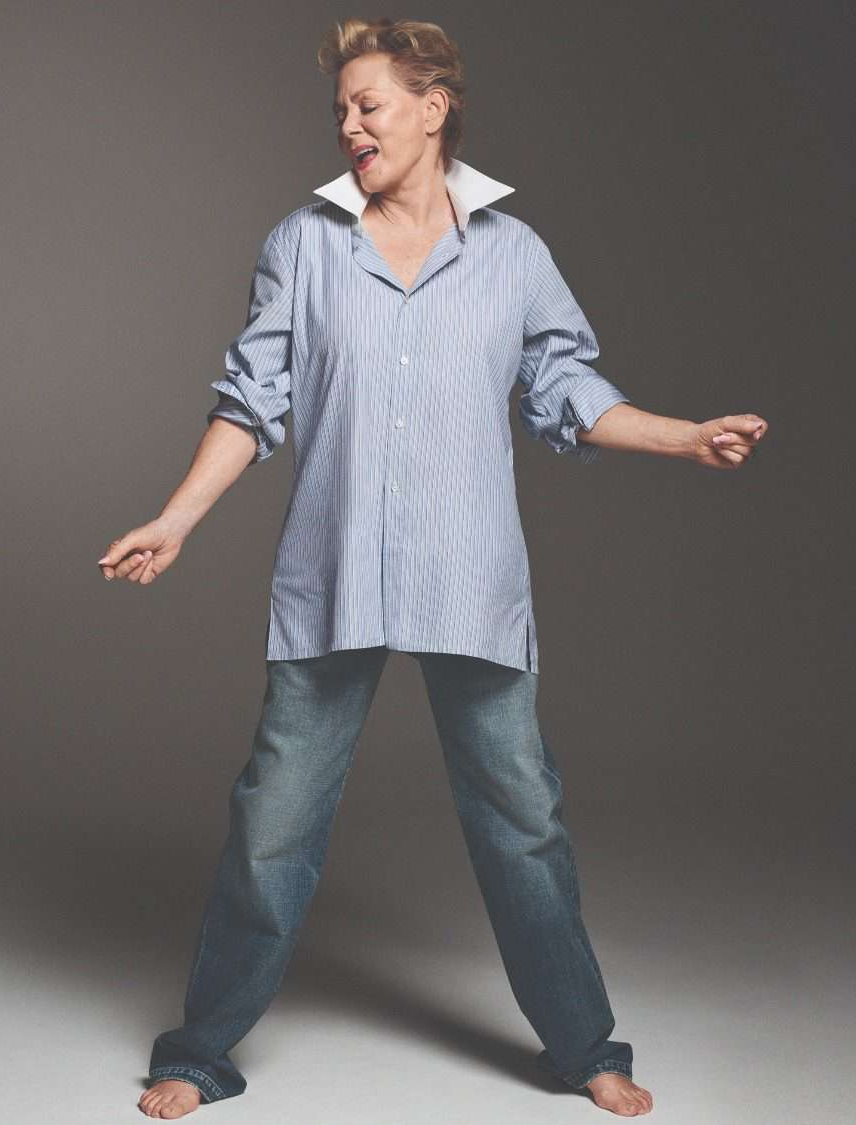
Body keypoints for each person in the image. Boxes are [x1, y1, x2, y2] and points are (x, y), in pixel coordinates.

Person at [95, 16, 767, 1121]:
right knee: (271, 829)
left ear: (432, 106)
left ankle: (582, 1047)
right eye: (341, 110)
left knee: (524, 823)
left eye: (368, 103)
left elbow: (571, 394)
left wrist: (686, 436)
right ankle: (201, 1050)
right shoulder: (303, 245)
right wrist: (177, 519)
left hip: (470, 581)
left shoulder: (512, 256)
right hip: (334, 574)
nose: (349, 125)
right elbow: (250, 401)